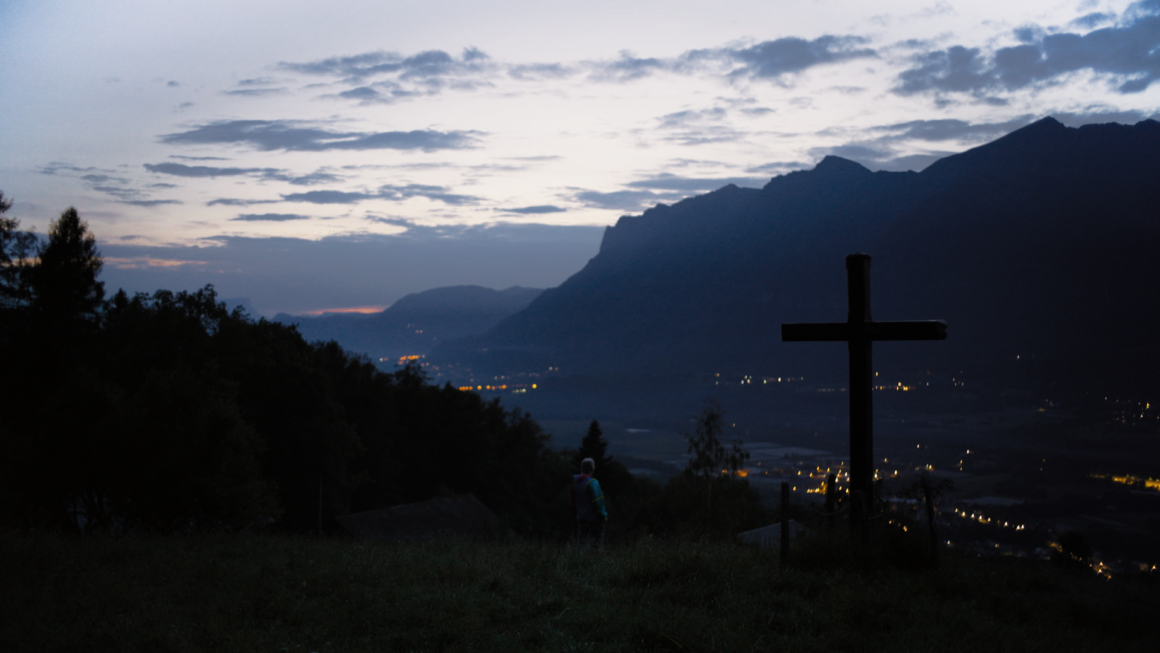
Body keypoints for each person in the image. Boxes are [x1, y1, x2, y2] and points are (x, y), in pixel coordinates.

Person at [570, 457, 607, 547]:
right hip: (594, 519)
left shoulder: (575, 481)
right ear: (592, 468)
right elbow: (598, 502)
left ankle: (581, 560)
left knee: (581, 543)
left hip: (581, 518)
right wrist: (603, 515)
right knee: (597, 542)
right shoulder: (592, 483)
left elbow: (572, 499)